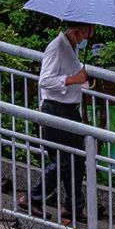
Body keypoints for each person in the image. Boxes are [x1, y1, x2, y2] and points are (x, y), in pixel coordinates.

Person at [24, 21, 95, 218]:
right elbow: (45, 80)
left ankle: (73, 206)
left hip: (70, 109)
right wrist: (72, 80)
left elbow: (72, 74)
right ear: (75, 32)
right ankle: (32, 198)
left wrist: (83, 79)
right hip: (56, 109)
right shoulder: (56, 47)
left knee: (77, 159)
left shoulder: (71, 47)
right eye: (84, 36)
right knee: (63, 160)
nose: (85, 40)